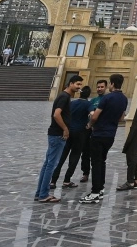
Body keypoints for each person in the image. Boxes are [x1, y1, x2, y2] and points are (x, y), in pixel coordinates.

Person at [80, 73, 128, 204]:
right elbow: (121, 118)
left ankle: (95, 192)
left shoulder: (106, 98)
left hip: (99, 133)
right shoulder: (124, 99)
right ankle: (100, 188)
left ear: (111, 84)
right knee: (102, 161)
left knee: (96, 162)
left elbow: (95, 116)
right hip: (110, 134)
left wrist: (90, 124)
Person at [36, 74, 83, 203]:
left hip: (54, 133)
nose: (79, 87)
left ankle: (40, 192)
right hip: (57, 134)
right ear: (71, 83)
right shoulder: (64, 97)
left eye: (80, 85)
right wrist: (65, 129)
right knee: (51, 165)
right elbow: (57, 114)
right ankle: (43, 194)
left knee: (47, 164)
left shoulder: (64, 96)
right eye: (78, 84)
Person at [53, 85, 92, 189]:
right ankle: (67, 180)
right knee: (74, 156)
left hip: (69, 131)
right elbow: (92, 114)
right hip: (80, 133)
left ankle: (53, 180)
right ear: (88, 95)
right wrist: (90, 123)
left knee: (62, 156)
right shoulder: (88, 104)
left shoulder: (72, 103)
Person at [79, 79, 107, 183]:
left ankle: (98, 176)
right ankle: (85, 173)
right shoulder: (93, 100)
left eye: (102, 87)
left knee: (98, 155)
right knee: (85, 152)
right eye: (98, 87)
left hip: (100, 130)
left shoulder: (107, 99)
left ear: (106, 87)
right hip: (89, 130)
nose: (99, 89)